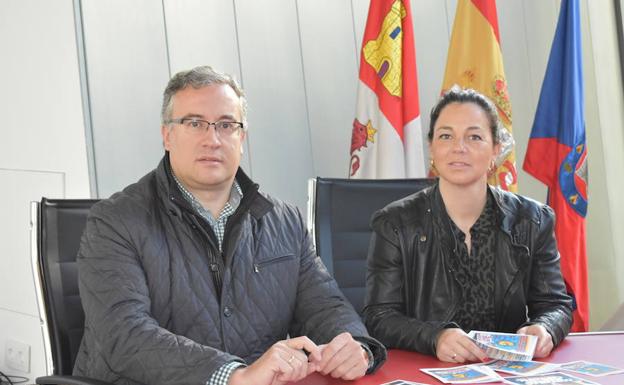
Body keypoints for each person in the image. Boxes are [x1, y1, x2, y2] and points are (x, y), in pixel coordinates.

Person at [74, 65, 385, 385]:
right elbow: (124, 335)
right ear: (167, 135)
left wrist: (357, 347)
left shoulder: (284, 221)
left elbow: (325, 306)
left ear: (242, 137)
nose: (212, 139)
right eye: (194, 123)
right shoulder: (113, 223)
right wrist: (235, 375)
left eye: (226, 125)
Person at [363, 88, 573, 364]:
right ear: (432, 147)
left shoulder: (532, 219)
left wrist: (545, 328)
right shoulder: (394, 223)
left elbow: (555, 305)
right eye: (446, 136)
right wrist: (434, 337)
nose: (458, 147)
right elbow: (378, 317)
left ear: (496, 149)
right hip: (427, 370)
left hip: (507, 371)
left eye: (474, 137)